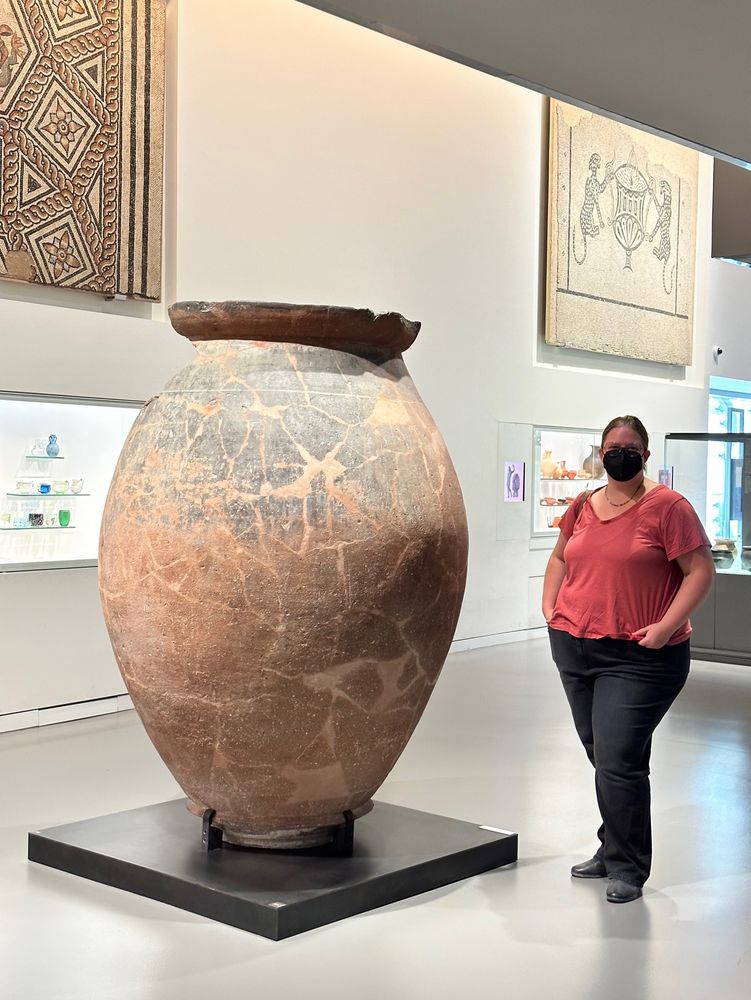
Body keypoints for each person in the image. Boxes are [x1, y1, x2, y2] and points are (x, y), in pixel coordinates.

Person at [542, 415, 715, 903]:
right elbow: (560, 557)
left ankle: (628, 866)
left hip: (641, 656)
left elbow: (700, 571)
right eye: (612, 446)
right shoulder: (582, 503)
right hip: (575, 645)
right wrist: (550, 606)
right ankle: (612, 843)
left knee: (617, 758)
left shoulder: (668, 508)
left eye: (630, 447)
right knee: (605, 756)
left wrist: (664, 627)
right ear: (600, 452)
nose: (620, 453)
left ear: (645, 455)